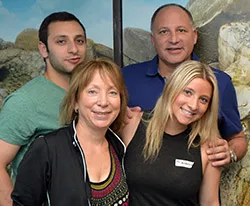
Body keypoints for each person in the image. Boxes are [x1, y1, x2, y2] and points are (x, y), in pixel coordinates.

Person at [122, 3, 247, 167]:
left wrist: (229, 153)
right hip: (137, 188)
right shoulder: (126, 77)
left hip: (194, 188)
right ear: (153, 40)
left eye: (181, 30)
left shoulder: (219, 82)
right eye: (164, 32)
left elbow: (238, 138)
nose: (173, 39)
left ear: (194, 36)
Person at [11, 58, 129, 205]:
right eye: (92, 91)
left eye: (112, 92)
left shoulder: (119, 147)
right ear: (75, 102)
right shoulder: (47, 149)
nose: (103, 102)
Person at [0, 12, 87, 206]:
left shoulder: (93, 96)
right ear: (43, 49)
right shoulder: (24, 102)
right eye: (61, 42)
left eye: (79, 41)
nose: (74, 49)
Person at [122, 60, 221, 205]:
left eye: (203, 100)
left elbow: (210, 203)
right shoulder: (132, 123)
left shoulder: (208, 148)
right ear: (171, 88)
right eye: (188, 92)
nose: (193, 105)